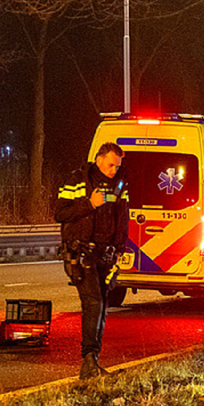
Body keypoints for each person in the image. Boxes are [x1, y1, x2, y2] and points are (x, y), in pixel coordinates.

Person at [55, 142, 129, 380]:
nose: (113, 171)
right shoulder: (77, 180)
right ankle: (88, 361)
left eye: (117, 166)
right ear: (99, 159)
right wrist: (89, 204)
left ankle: (93, 361)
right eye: (110, 165)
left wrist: (119, 250)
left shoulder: (119, 184)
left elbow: (122, 218)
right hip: (81, 253)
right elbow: (60, 213)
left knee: (102, 305)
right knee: (94, 303)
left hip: (105, 255)